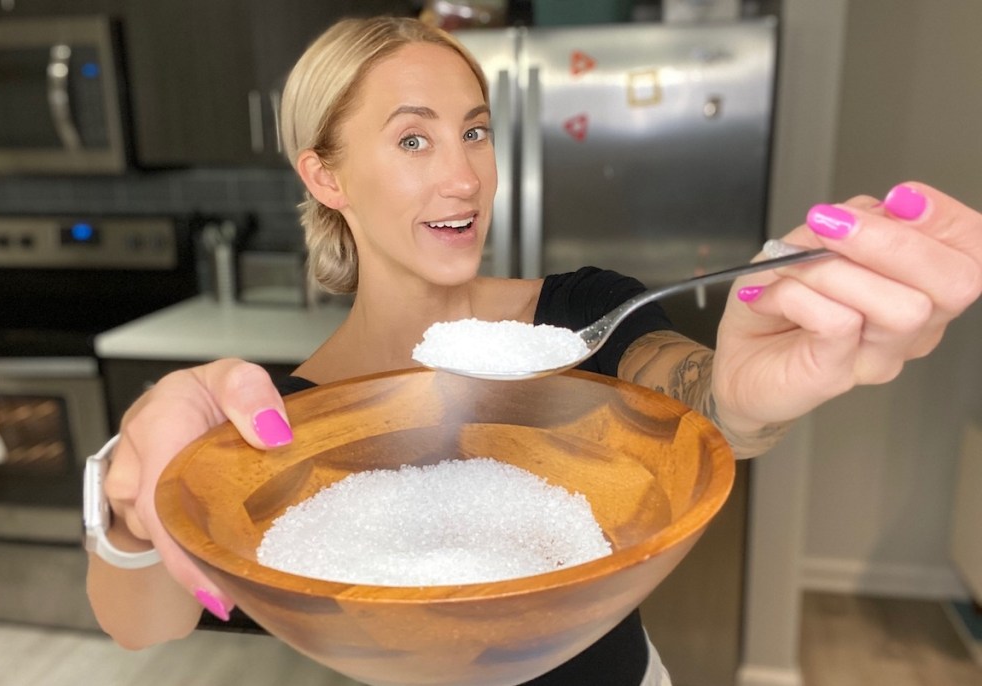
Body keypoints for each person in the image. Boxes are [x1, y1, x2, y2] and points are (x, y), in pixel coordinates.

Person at [86, 15, 982, 686]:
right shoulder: (294, 419)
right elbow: (138, 624)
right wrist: (129, 503)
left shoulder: (580, 311)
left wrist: (742, 397)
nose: (465, 176)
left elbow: (692, 397)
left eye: (474, 130)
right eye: (413, 138)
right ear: (325, 173)